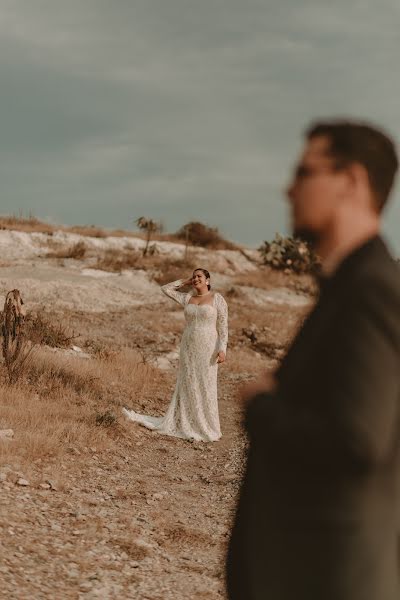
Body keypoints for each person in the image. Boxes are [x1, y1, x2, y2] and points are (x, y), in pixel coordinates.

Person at [227, 120, 400, 600]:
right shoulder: (352, 285)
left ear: (351, 181)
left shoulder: (371, 290)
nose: (289, 188)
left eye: (305, 172)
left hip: (331, 578)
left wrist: (261, 406)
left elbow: (356, 441)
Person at [123, 268, 228, 442]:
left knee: (205, 382)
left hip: (208, 346)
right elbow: (165, 289)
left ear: (208, 280)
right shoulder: (188, 298)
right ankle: (185, 421)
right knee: (188, 381)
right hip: (188, 345)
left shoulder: (217, 299)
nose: (196, 279)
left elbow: (223, 326)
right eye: (194, 277)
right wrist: (185, 282)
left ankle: (206, 425)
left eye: (199, 277)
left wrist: (222, 348)